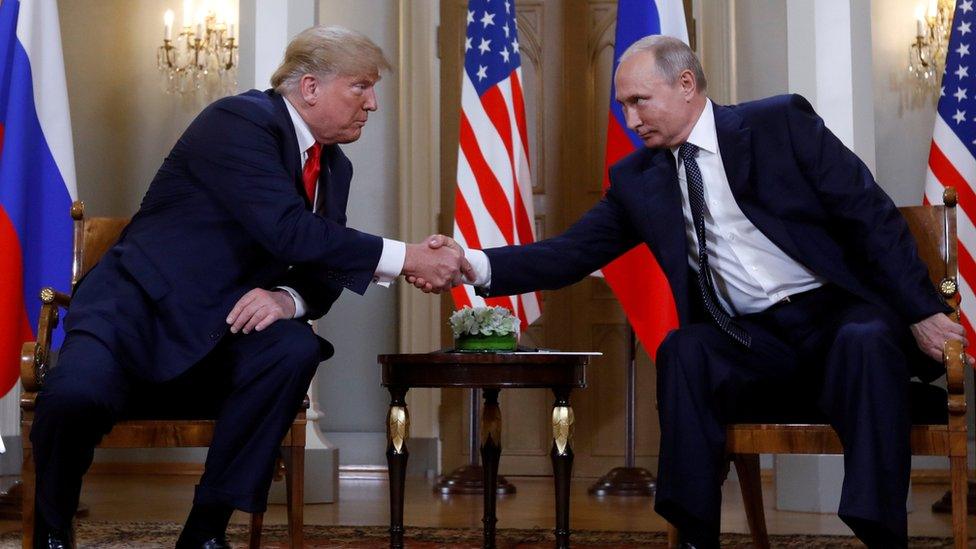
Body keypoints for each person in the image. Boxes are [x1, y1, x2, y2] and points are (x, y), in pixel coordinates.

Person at [416, 35, 967, 548]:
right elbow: (570, 253)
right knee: (685, 348)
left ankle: (879, 528)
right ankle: (695, 528)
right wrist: (471, 263)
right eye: (624, 107)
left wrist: (921, 310)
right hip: (753, 343)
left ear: (685, 84)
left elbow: (870, 217)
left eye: (639, 101)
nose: (630, 120)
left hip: (837, 319)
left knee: (868, 337)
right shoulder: (639, 178)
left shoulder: (779, 123)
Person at [31, 25, 467, 549]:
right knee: (75, 395)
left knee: (291, 347)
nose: (372, 104)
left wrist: (288, 299)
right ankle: (53, 528)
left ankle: (206, 530)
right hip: (135, 316)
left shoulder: (334, 167)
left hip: (220, 331)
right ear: (309, 87)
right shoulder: (240, 121)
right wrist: (407, 257)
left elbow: (321, 262)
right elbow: (288, 228)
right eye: (361, 86)